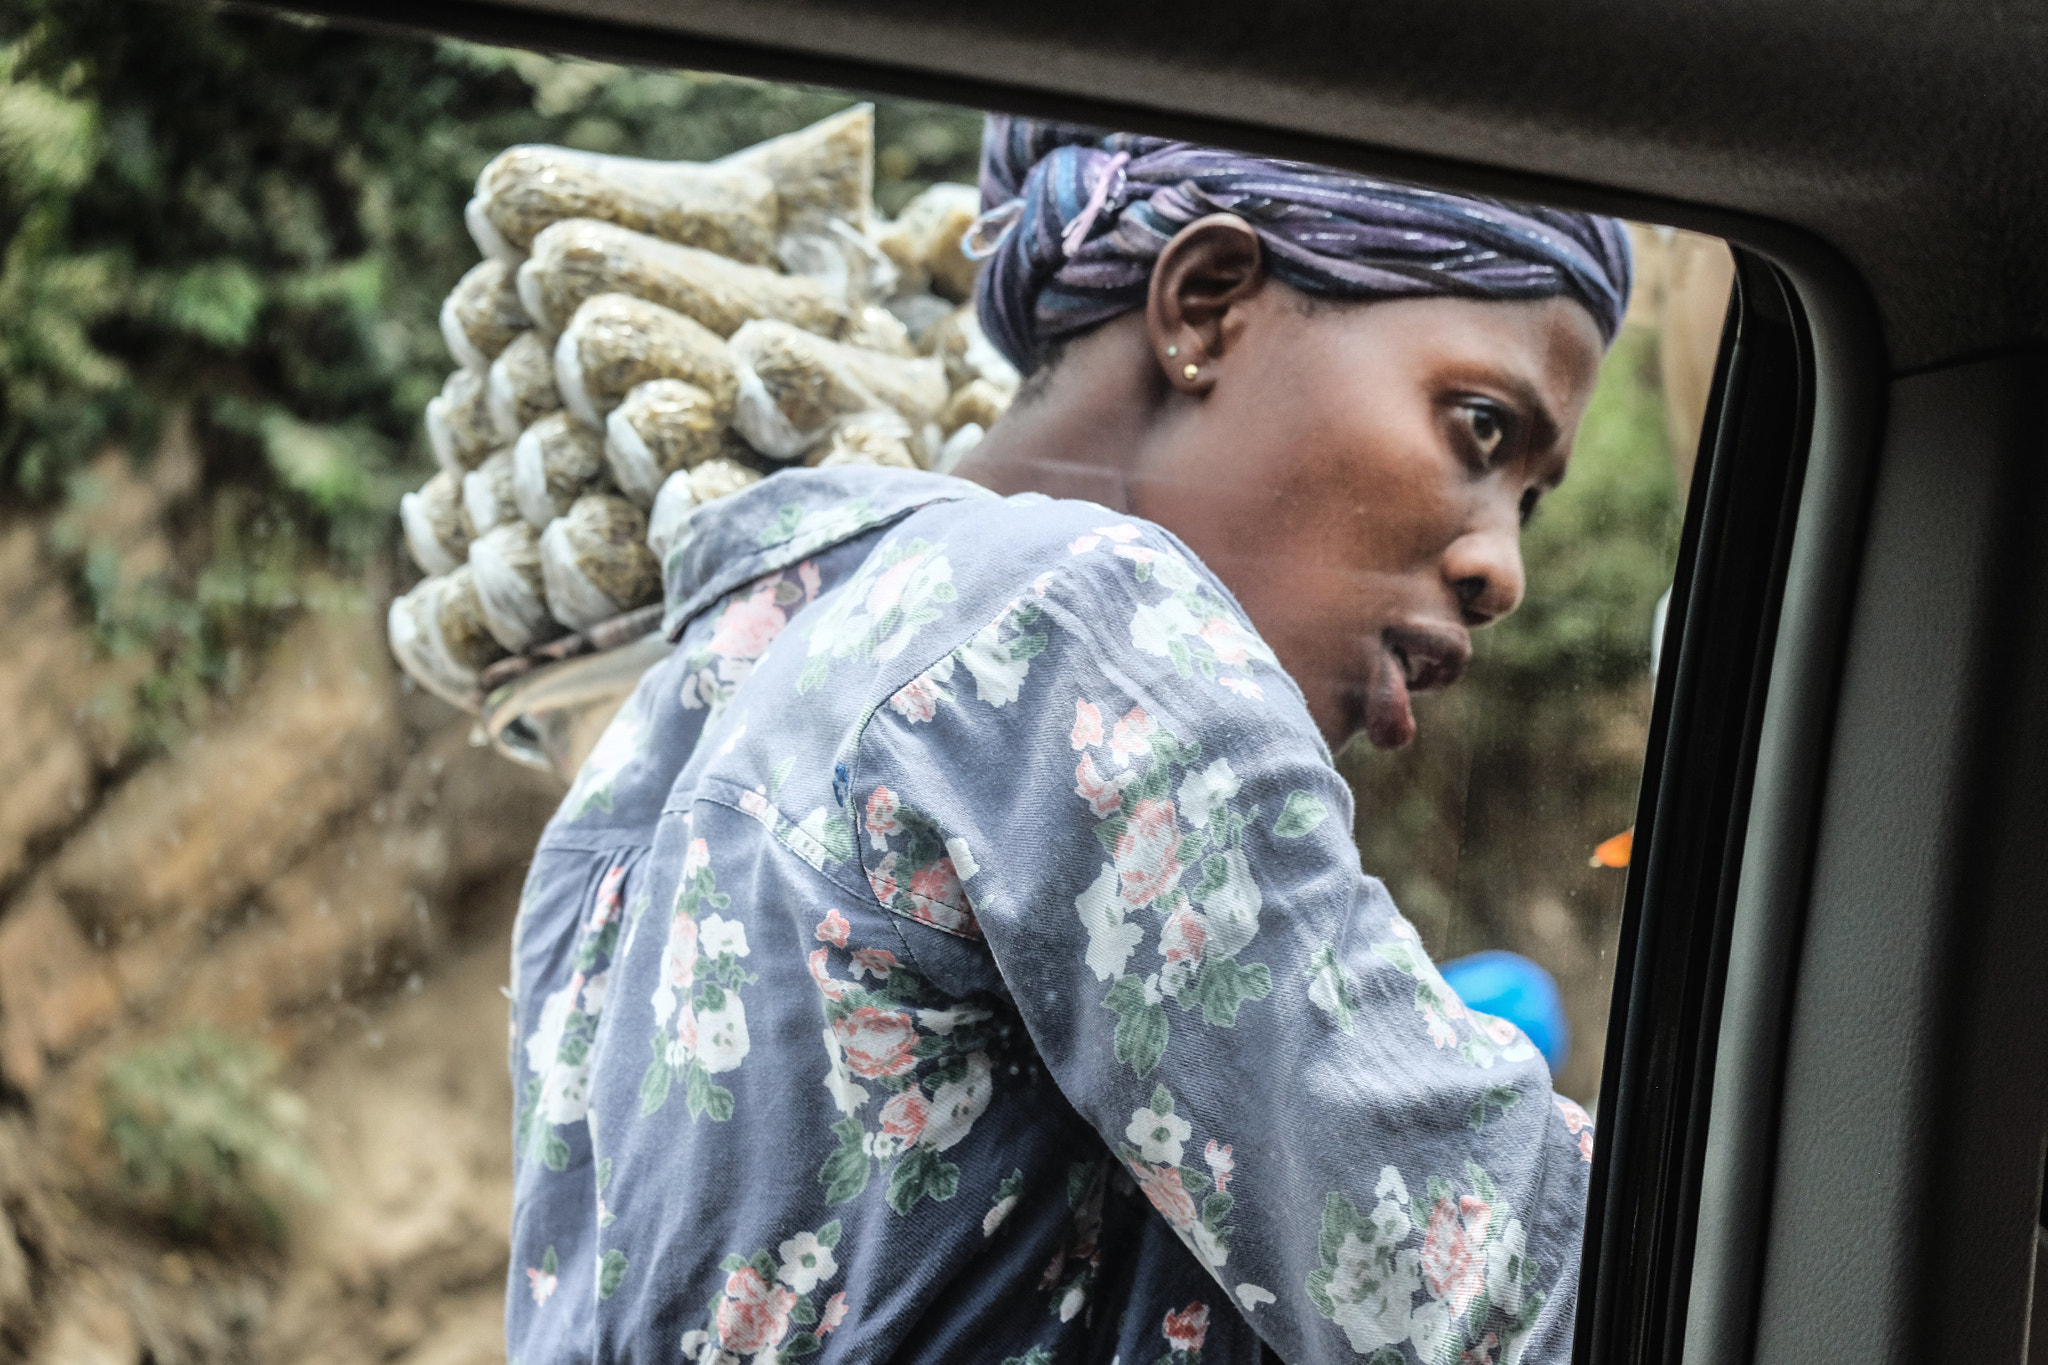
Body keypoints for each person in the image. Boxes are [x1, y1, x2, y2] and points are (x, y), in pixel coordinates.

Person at [503, 116, 1628, 1365]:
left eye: (1524, 499)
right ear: (1203, 308)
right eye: (1478, 430)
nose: (1499, 568)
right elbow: (1520, 1297)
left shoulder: (691, 695)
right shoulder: (1076, 617)